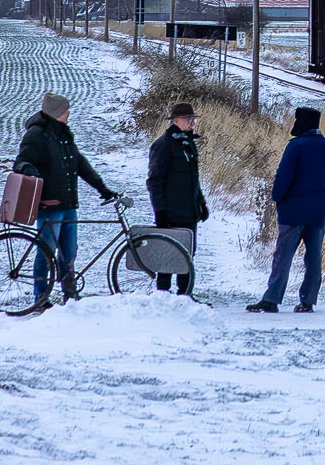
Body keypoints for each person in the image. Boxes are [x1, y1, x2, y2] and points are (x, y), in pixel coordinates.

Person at [14, 92, 120, 307]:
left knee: (69, 253)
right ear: (55, 113)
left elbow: (80, 164)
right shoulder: (37, 135)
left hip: (69, 204)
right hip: (49, 205)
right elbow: (21, 162)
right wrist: (30, 170)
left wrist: (103, 188)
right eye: (65, 110)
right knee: (46, 252)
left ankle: (70, 296)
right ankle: (40, 298)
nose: (68, 113)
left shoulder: (64, 134)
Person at [250, 107, 325, 313]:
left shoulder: (296, 146)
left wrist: (277, 197)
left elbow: (284, 176)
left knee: (283, 256)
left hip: (294, 209)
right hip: (318, 208)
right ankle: (308, 301)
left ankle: (271, 299)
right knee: (314, 257)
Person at [145, 101, 208, 294]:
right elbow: (154, 181)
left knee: (188, 255)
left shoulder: (188, 143)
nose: (192, 123)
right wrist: (160, 211)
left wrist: (201, 203)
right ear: (176, 121)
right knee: (169, 255)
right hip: (172, 212)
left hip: (189, 211)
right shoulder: (163, 145)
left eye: (193, 119)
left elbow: (193, 179)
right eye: (188, 119)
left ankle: (185, 294)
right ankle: (163, 295)